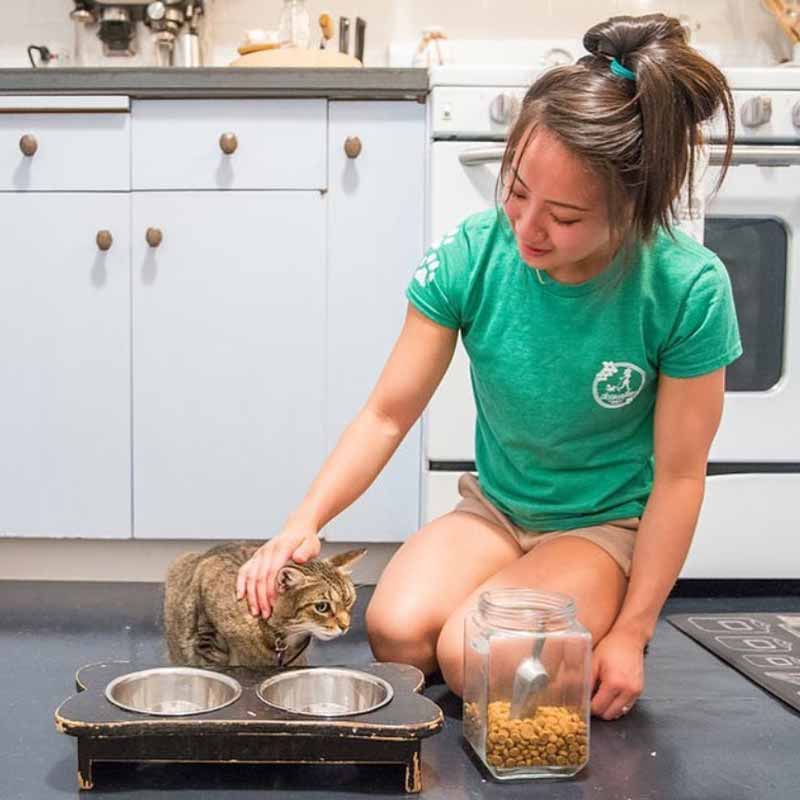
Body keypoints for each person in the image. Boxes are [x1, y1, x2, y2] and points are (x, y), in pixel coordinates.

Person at [236, 13, 742, 721]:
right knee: (396, 631)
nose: (528, 227)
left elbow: (682, 478)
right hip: (497, 510)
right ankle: (531, 605)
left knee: (466, 653)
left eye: (563, 217)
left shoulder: (686, 286)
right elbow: (388, 412)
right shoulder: (476, 251)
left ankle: (590, 610)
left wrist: (633, 631)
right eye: (517, 190)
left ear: (632, 208)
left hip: (604, 527)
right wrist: (304, 520)